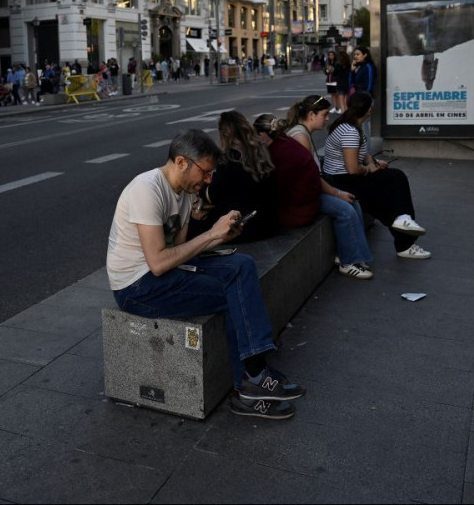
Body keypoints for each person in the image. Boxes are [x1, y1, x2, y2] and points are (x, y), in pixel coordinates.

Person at [107, 128, 305, 420]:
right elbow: (159, 263)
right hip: (137, 288)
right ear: (181, 163)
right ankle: (251, 378)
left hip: (163, 274)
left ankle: (253, 376)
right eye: (206, 172)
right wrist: (211, 233)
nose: (209, 180)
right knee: (235, 293)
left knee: (244, 265)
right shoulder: (146, 190)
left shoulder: (185, 193)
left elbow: (181, 249)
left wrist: (220, 237)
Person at [322, 91, 431, 260]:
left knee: (387, 196)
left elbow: (359, 153)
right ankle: (404, 229)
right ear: (368, 110)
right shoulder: (350, 131)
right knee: (397, 178)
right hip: (343, 181)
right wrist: (369, 169)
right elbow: (352, 168)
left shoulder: (348, 125)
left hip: (344, 178)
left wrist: (373, 161)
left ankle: (404, 237)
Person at [278, 95, 375, 280]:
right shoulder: (300, 137)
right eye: (324, 114)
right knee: (346, 209)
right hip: (301, 196)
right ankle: (349, 262)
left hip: (308, 190)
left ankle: (354, 256)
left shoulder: (302, 132)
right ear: (311, 114)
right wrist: (336, 193)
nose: (327, 118)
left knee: (353, 202)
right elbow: (310, 176)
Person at [186, 111, 280, 243]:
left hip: (243, 227)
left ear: (224, 135)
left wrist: (203, 190)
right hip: (268, 223)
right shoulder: (261, 153)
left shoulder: (228, 159)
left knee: (190, 226)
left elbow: (211, 196)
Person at [251, 114, 322, 230]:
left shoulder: (277, 153)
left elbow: (276, 190)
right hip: (310, 205)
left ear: (262, 135)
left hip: (298, 213)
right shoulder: (286, 141)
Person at [333, 50, 351, 114]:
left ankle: (343, 115)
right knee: (346, 101)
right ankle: (347, 114)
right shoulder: (349, 64)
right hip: (347, 84)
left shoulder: (338, 65)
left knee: (341, 102)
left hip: (340, 84)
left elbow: (334, 73)